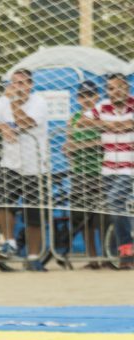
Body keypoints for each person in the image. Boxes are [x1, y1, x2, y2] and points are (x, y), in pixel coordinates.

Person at [0, 69, 49, 270]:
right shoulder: (3, 101)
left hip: (35, 167)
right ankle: (9, 240)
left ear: (30, 85)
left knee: (34, 216)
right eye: (14, 83)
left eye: (21, 83)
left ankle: (33, 257)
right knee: (0, 202)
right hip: (10, 163)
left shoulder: (39, 102)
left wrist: (13, 103)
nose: (17, 87)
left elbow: (25, 123)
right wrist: (2, 127)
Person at [78, 73, 134, 269]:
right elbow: (81, 122)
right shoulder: (102, 107)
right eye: (111, 88)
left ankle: (127, 249)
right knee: (116, 209)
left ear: (127, 88)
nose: (115, 91)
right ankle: (124, 253)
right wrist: (105, 124)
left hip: (130, 169)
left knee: (114, 201)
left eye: (119, 87)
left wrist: (129, 124)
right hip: (108, 169)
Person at [65, 81, 105, 269]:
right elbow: (68, 144)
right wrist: (68, 149)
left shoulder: (101, 115)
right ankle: (93, 258)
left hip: (99, 172)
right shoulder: (74, 118)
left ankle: (108, 256)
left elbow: (104, 140)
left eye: (90, 95)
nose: (86, 99)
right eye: (82, 96)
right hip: (79, 173)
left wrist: (79, 146)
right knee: (84, 218)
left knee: (102, 218)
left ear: (97, 96)